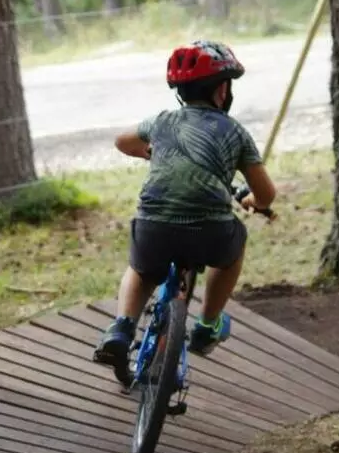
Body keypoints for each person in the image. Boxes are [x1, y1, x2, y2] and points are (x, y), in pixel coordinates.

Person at [92, 40, 276, 375]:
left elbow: (122, 141)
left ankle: (120, 328)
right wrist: (254, 201)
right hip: (210, 233)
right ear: (223, 91)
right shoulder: (235, 131)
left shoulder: (162, 122)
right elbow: (266, 193)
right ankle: (207, 325)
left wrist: (154, 151)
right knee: (234, 247)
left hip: (154, 228)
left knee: (142, 269)